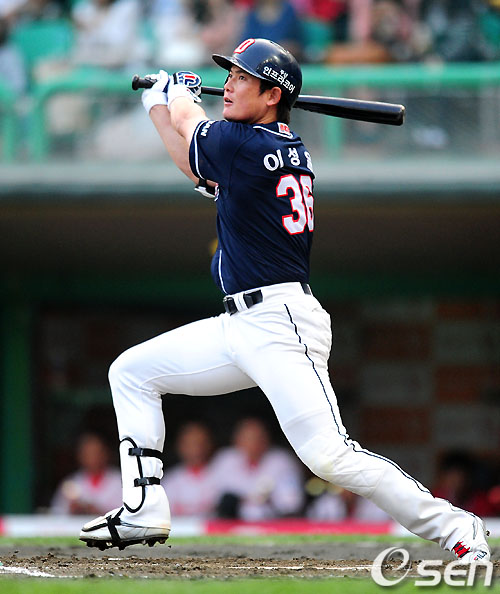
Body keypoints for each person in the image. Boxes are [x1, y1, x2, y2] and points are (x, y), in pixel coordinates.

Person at [79, 38, 490, 563]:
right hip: (238, 324)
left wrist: (177, 94)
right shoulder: (261, 146)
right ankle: (143, 507)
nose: (229, 85)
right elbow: (193, 162)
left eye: (241, 78)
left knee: (330, 456)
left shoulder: (244, 145)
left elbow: (193, 125)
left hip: (279, 323)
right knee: (132, 373)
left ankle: (456, 526)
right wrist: (158, 105)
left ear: (273, 95)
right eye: (229, 76)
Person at [211, 417, 304, 520]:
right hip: (232, 522)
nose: (253, 444)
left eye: (258, 438)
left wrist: (249, 499)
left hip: (271, 522)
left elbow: (291, 504)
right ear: (236, 440)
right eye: (247, 438)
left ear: (267, 440)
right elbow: (212, 499)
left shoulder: (282, 461)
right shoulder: (225, 459)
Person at [50, 432, 122, 515]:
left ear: (105, 454)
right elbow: (57, 512)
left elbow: (127, 513)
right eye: (88, 453)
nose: (93, 458)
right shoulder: (72, 482)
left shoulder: (119, 480)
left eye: (96, 453)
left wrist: (98, 511)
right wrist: (72, 509)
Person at [160, 421, 219, 518]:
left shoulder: (221, 474)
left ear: (209, 444)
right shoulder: (170, 480)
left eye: (200, 443)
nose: (196, 449)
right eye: (190, 444)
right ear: (180, 447)